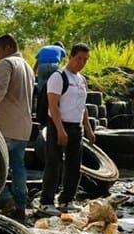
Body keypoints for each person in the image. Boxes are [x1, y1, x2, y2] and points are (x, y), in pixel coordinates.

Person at [0, 34, 35, 221]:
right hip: (23, 128)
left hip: (4, 127)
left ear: (7, 47)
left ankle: (4, 199)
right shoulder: (28, 66)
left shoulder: (6, 64)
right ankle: (21, 207)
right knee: (18, 167)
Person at [39, 43, 95, 215]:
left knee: (74, 165)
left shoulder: (81, 80)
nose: (81, 62)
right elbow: (53, 106)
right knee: (54, 164)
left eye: (85, 59)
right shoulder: (58, 77)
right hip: (59, 125)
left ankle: (66, 199)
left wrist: (88, 128)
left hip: (76, 127)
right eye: (79, 58)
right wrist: (60, 130)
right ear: (70, 57)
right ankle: (46, 202)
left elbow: (82, 106)